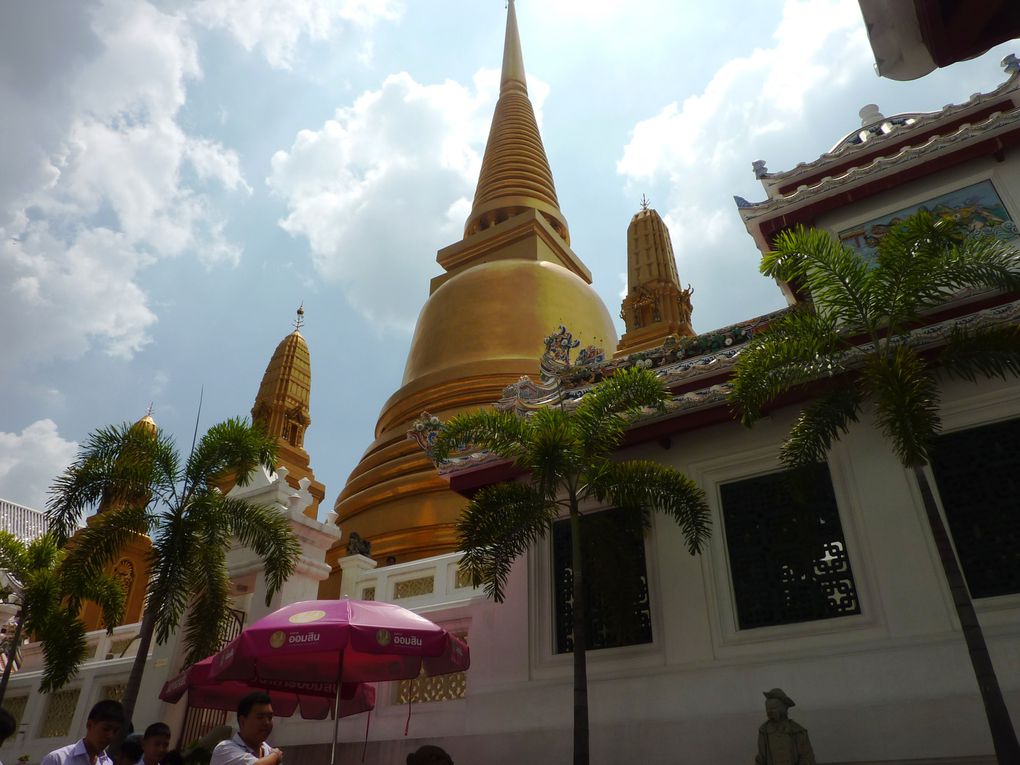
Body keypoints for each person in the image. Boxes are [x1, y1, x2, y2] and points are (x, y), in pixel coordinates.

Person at [41, 699, 125, 765]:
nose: (110, 735)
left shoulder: (107, 763)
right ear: (89, 725)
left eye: (115, 731)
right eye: (106, 729)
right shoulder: (58, 759)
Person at [210, 692, 282, 765]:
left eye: (270, 717)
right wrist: (275, 756)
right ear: (242, 721)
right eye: (260, 717)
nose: (267, 722)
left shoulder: (269, 751)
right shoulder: (224, 749)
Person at [755, 688, 816, 765]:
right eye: (768, 709)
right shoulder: (764, 731)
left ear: (784, 708)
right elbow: (761, 758)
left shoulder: (797, 731)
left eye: (774, 708)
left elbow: (806, 757)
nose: (770, 712)